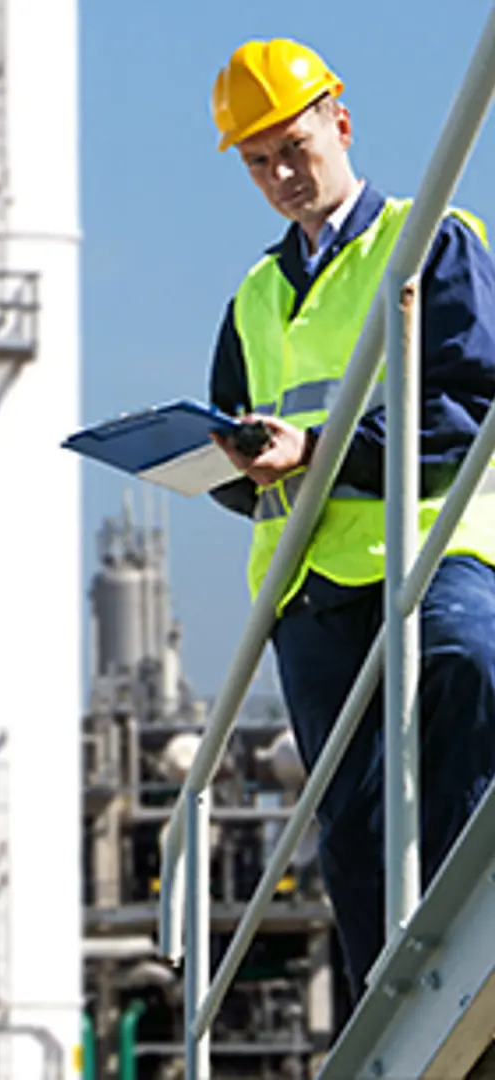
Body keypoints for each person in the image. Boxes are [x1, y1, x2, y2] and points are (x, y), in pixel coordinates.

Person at [206, 38, 495, 1000]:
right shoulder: (252, 299)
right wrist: (218, 462)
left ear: (341, 122)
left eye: (294, 148)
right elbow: (242, 449)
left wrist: (318, 449)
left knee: (467, 663)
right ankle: (390, 1011)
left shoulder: (430, 242)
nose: (282, 176)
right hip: (311, 585)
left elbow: (469, 407)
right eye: (258, 163)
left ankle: (473, 951)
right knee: (351, 815)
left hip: (432, 549)